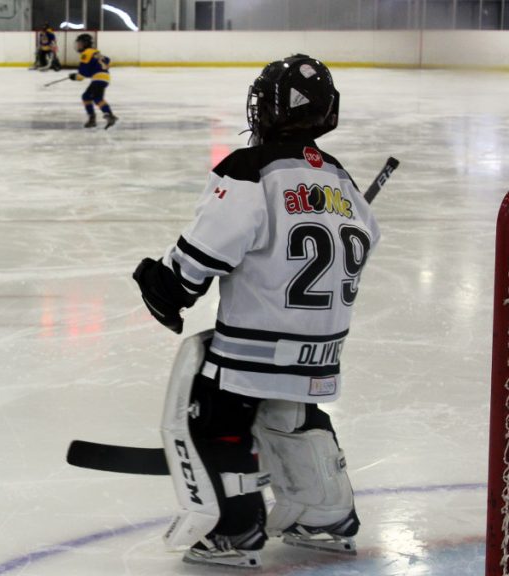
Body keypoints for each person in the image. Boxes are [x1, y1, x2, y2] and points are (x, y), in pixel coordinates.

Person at [132, 54, 378, 568]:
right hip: (323, 350)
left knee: (212, 415)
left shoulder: (250, 169)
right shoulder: (343, 180)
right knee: (294, 414)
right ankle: (326, 516)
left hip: (254, 346)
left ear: (267, 108)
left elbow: (199, 259)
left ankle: (231, 529)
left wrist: (166, 285)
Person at [67, 34, 116, 129]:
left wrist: (75, 77)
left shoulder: (86, 53)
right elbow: (108, 61)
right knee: (87, 96)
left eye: (80, 44)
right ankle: (96, 118)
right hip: (104, 78)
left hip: (98, 79)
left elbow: (83, 74)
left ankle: (107, 116)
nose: (78, 46)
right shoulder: (95, 52)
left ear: (85, 44)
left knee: (96, 98)